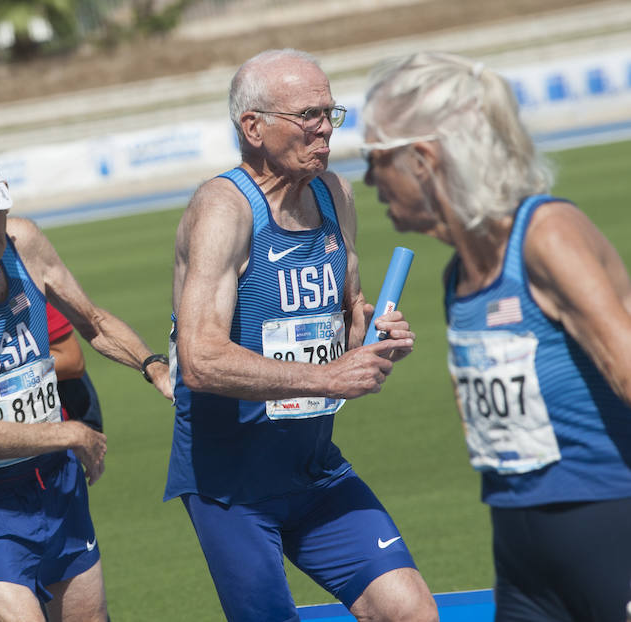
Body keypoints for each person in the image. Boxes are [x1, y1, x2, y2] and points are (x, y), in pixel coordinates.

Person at [166, 48, 438, 622]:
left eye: (331, 114)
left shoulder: (333, 194)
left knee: (410, 611)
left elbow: (347, 314)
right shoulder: (224, 209)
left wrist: (373, 335)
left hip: (315, 469)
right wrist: (327, 375)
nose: (325, 130)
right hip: (231, 489)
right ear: (253, 127)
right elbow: (200, 359)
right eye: (308, 116)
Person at [361, 51, 631, 621]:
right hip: (521, 552)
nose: (366, 179)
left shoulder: (548, 235)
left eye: (374, 158)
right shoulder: (457, 274)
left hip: (610, 527)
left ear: (423, 159)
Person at [0, 140, 171, 622]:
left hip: (53, 485)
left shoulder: (26, 243)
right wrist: (69, 432)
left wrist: (155, 367)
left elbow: (94, 324)